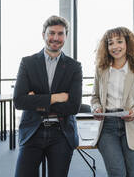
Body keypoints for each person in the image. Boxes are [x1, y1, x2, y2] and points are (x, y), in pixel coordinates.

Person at [13, 15, 82, 177]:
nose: (55, 38)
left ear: (66, 36)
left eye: (60, 34)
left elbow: (73, 106)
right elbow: (19, 101)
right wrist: (56, 98)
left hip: (61, 132)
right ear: (43, 34)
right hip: (32, 130)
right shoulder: (28, 63)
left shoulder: (74, 67)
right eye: (51, 33)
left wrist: (35, 100)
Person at [91, 27, 134, 177]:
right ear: (106, 46)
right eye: (110, 43)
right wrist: (96, 108)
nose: (115, 46)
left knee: (131, 173)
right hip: (108, 126)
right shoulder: (101, 69)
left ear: (127, 44)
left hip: (131, 125)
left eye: (119, 42)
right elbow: (95, 98)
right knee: (117, 173)